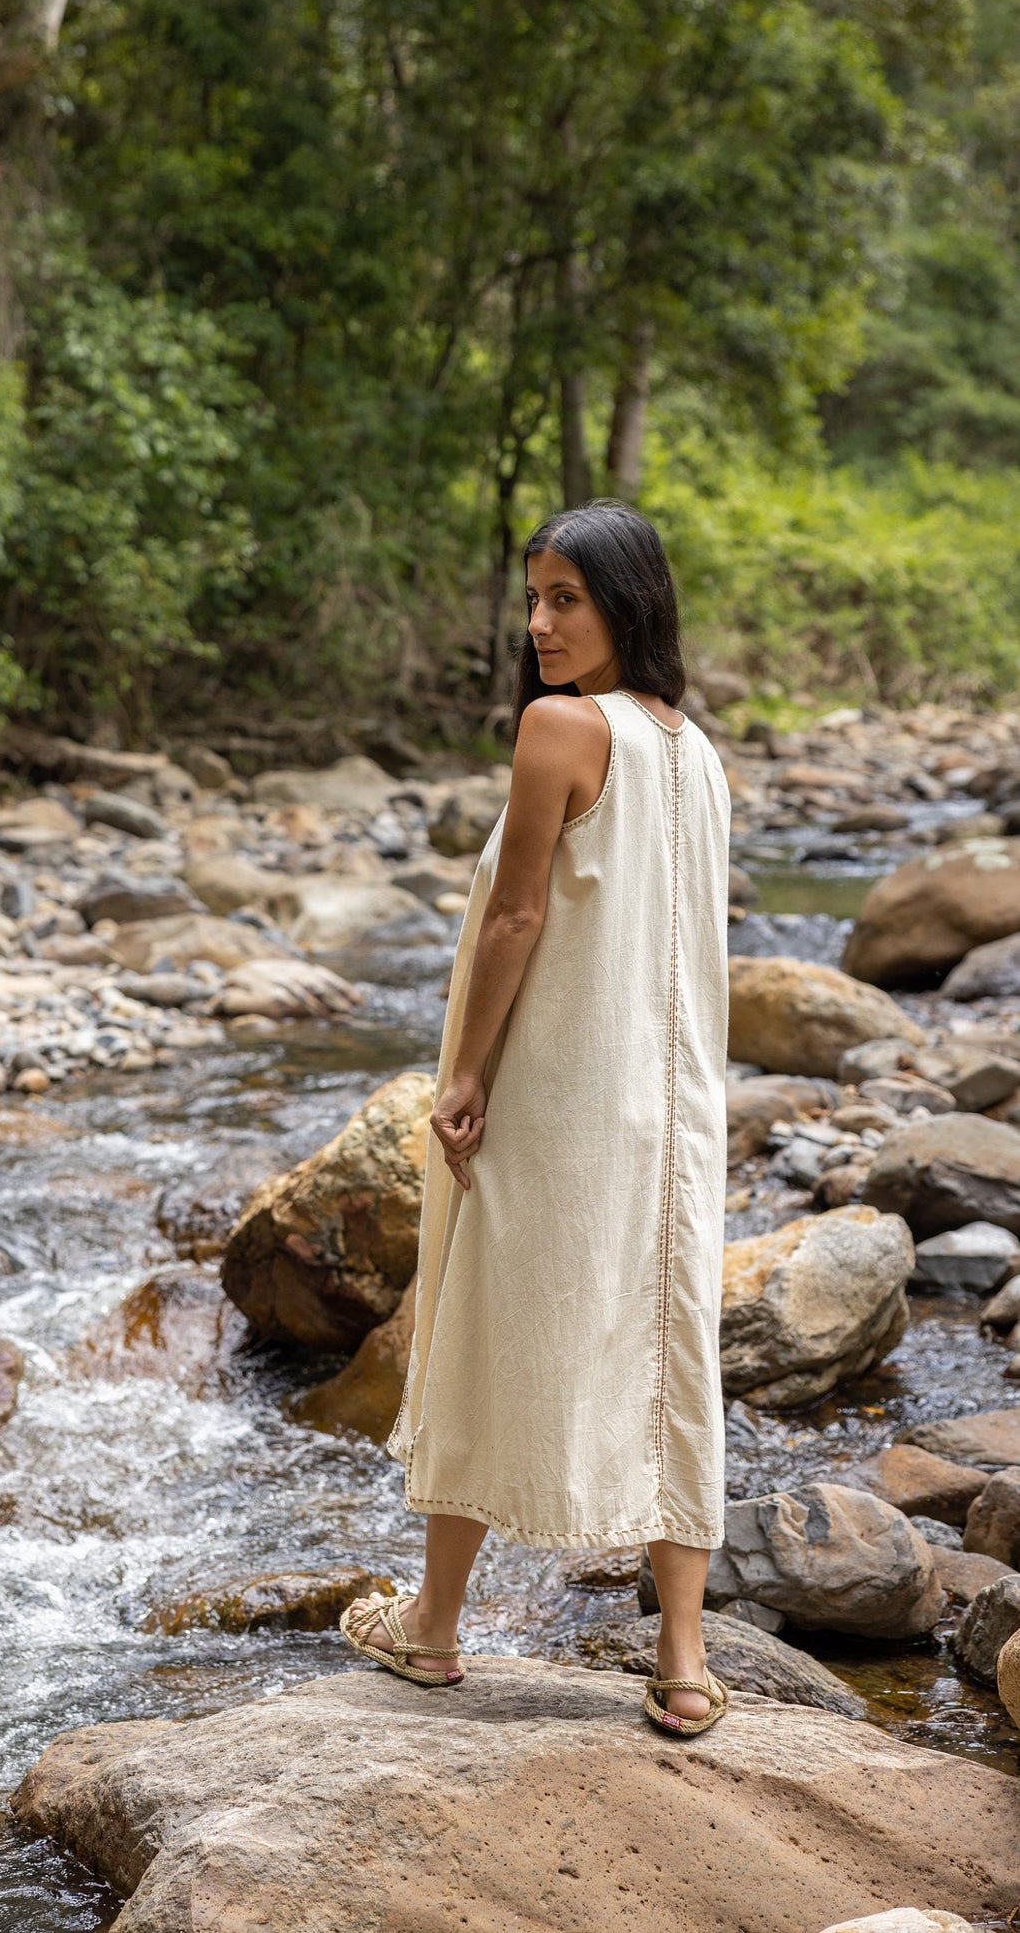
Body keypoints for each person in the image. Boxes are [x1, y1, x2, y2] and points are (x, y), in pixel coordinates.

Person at [340, 501, 732, 1737]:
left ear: (629, 602)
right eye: (532, 599)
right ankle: (681, 1660)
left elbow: (515, 919)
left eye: (567, 597)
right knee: (670, 1347)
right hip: (670, 1111)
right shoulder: (693, 747)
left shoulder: (557, 727)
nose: (541, 624)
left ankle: (435, 1628)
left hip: (558, 1092)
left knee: (484, 1324)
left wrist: (462, 1076)